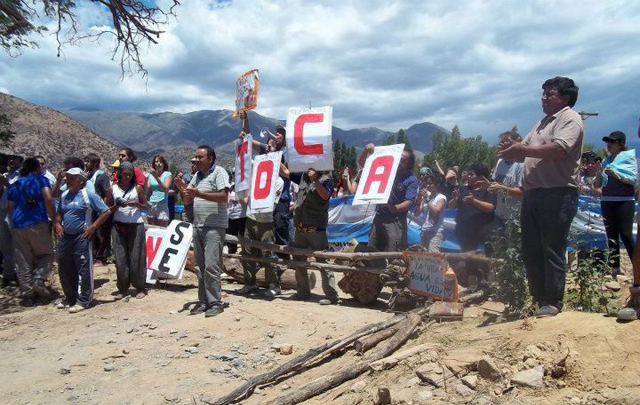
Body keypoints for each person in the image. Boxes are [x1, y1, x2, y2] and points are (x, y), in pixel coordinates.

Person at [499, 76, 583, 317]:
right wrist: (512, 148)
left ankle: (553, 301)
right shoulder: (541, 122)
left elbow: (558, 150)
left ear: (565, 97)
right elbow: (522, 153)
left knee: (552, 248)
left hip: (557, 192)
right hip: (533, 194)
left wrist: (522, 149)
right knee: (531, 249)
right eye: (543, 93)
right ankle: (537, 298)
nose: (543, 98)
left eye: (550, 94)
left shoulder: (570, 118)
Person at [175, 145, 230, 318]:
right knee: (200, 266)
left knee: (212, 265)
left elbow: (224, 197)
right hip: (198, 225)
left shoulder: (219, 172)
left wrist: (198, 193)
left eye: (200, 157)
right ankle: (204, 301)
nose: (196, 160)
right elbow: (187, 201)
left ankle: (215, 303)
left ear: (210, 159)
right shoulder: (197, 176)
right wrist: (182, 189)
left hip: (214, 226)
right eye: (196, 157)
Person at [54, 168, 112, 313]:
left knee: (84, 269)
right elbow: (60, 211)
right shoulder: (64, 195)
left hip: (82, 237)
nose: (68, 180)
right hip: (66, 236)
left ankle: (84, 300)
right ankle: (70, 297)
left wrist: (93, 227)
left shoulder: (87, 195)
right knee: (65, 267)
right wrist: (58, 224)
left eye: (72, 178)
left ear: (80, 180)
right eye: (67, 177)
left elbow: (106, 211)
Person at [7, 157, 56, 304]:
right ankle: (39, 279)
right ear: (38, 168)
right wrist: (54, 218)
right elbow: (48, 198)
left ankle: (27, 294)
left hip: (18, 225)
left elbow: (10, 207)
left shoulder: (15, 185)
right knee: (47, 254)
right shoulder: (41, 180)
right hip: (37, 223)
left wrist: (14, 223)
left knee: (23, 261)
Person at [289, 168, 339, 305]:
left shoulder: (326, 180)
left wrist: (315, 180)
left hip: (316, 230)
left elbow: (325, 195)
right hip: (300, 228)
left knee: (323, 261)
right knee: (299, 261)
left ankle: (331, 295)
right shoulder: (302, 177)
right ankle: (303, 292)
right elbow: (286, 172)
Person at [359, 144, 419, 252]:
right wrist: (366, 151)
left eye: (403, 160)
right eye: (398, 158)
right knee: (372, 250)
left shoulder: (411, 179)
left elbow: (410, 201)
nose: (399, 161)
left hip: (395, 220)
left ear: (408, 164)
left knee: (393, 253)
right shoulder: (387, 170)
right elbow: (363, 164)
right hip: (379, 217)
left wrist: (395, 208)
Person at [593, 131, 637, 278]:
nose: (608, 144)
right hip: (607, 200)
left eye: (612, 142)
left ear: (620, 143)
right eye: (608, 142)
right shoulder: (606, 160)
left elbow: (632, 179)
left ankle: (637, 267)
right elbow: (597, 185)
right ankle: (615, 268)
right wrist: (599, 172)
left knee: (626, 234)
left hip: (625, 200)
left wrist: (617, 175)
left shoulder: (628, 159)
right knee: (611, 235)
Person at [105, 161, 149, 300]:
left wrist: (136, 204)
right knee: (120, 259)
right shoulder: (112, 189)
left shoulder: (138, 188)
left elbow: (146, 206)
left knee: (137, 257)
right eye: (125, 174)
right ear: (119, 174)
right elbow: (106, 208)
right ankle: (123, 288)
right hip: (118, 226)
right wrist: (116, 206)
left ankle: (140, 287)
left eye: (130, 174)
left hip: (136, 225)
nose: (127, 177)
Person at [237, 175, 284, 299]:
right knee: (247, 252)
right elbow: (245, 202)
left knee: (268, 253)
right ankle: (250, 283)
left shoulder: (278, 180)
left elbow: (272, 203)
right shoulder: (255, 177)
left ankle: (274, 285)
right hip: (250, 218)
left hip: (265, 221)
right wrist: (240, 190)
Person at [449, 164, 496, 288]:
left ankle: (492, 283)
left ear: (480, 176)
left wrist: (473, 201)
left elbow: (490, 207)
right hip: (465, 230)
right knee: (469, 257)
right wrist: (454, 199)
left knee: (490, 254)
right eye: (468, 174)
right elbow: (451, 206)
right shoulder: (463, 189)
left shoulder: (489, 190)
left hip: (483, 228)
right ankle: (472, 285)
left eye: (471, 174)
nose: (468, 177)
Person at [488, 131, 524, 228]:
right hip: (499, 214)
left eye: (503, 143)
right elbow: (496, 183)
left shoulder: (521, 164)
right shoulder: (500, 162)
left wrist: (501, 188)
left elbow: (523, 192)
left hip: (514, 218)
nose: (500, 145)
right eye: (500, 142)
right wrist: (490, 187)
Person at [85, 153, 112, 265]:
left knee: (102, 235)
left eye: (88, 161)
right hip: (92, 211)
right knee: (95, 234)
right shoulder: (88, 177)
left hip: (101, 210)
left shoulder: (102, 176)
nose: (86, 164)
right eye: (85, 161)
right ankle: (95, 255)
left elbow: (108, 193)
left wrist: (103, 208)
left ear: (95, 163)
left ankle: (102, 257)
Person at [414, 172, 447, 252]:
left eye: (430, 183)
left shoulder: (441, 197)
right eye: (427, 183)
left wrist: (427, 199)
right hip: (424, 230)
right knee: (423, 255)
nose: (428, 185)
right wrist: (419, 200)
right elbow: (416, 214)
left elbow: (436, 211)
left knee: (433, 256)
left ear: (437, 184)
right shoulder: (426, 196)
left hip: (435, 232)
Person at [146, 155, 173, 227]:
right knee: (151, 228)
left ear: (164, 163)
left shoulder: (167, 174)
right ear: (154, 164)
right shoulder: (150, 175)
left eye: (161, 162)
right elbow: (146, 189)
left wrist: (156, 177)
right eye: (156, 161)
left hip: (162, 204)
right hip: (151, 203)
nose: (158, 163)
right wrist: (145, 178)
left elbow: (165, 189)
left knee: (161, 228)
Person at [226, 175, 248, 255]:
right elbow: (228, 202)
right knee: (231, 240)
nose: (234, 175)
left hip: (242, 217)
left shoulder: (245, 187)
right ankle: (231, 256)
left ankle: (245, 257)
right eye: (233, 173)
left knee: (243, 240)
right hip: (231, 216)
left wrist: (239, 192)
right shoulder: (231, 187)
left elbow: (244, 203)